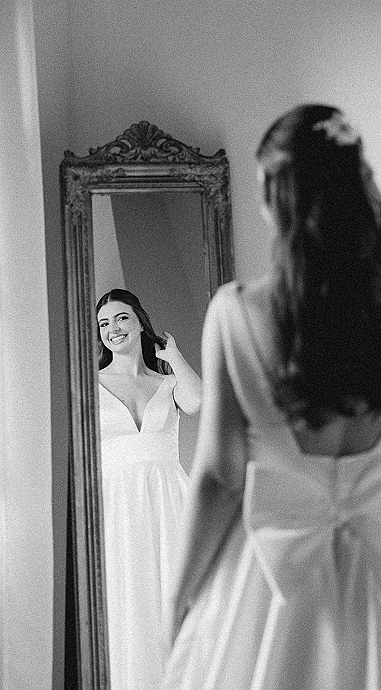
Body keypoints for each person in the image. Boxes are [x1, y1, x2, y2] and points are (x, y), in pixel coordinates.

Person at [164, 104, 381, 690]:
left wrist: (181, 595)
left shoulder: (236, 315)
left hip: (265, 584)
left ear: (272, 194)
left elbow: (220, 474)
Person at [96, 288, 202, 690]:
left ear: (140, 320)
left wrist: (173, 356)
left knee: (172, 600)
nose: (113, 330)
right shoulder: (90, 383)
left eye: (121, 318)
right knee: (129, 601)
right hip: (117, 504)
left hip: (168, 501)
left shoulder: (168, 382)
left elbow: (197, 401)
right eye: (104, 324)